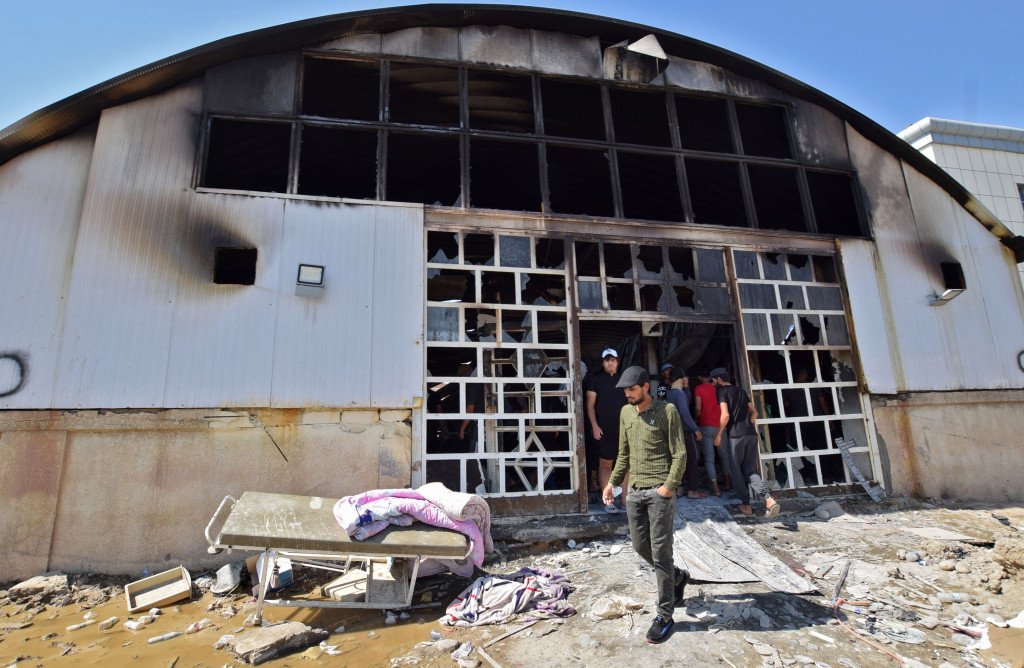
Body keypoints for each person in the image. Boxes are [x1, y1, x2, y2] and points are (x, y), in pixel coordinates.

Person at [603, 365, 689, 644]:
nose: (627, 394)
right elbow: (623, 454)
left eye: (632, 389)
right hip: (635, 492)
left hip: (659, 492)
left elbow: (680, 453)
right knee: (640, 546)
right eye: (625, 390)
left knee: (661, 552)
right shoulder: (626, 412)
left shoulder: (667, 412)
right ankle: (677, 577)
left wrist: (668, 487)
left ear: (645, 388)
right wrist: (612, 484)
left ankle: (665, 616)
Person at [710, 367, 780, 518]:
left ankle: (746, 505)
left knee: (735, 471)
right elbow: (754, 412)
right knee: (748, 470)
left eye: (714, 380)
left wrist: (719, 435)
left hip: (736, 437)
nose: (713, 383)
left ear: (719, 379)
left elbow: (726, 415)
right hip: (751, 434)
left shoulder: (721, 391)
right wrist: (747, 425)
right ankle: (769, 499)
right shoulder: (741, 391)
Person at [586, 348, 628, 512]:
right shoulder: (595, 380)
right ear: (603, 362)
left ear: (617, 362)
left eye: (613, 359)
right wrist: (595, 426)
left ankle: (624, 501)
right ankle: (608, 502)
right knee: (605, 464)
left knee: (625, 465)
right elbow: (590, 406)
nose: (610, 362)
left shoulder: (624, 380)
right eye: (607, 360)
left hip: (624, 430)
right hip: (603, 430)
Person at [664, 368, 705, 499]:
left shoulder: (669, 393)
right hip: (685, 431)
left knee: (678, 460)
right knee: (692, 460)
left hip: (674, 431)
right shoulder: (679, 394)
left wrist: (686, 388)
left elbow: (685, 403)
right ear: (681, 379)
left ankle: (679, 488)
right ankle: (693, 490)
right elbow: (685, 413)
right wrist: (696, 429)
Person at [693, 372, 729, 496]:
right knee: (724, 455)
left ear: (699, 377)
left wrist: (695, 419)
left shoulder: (699, 389)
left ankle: (716, 488)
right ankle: (728, 482)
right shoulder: (718, 389)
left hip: (705, 426)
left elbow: (698, 408)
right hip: (720, 425)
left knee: (709, 458)